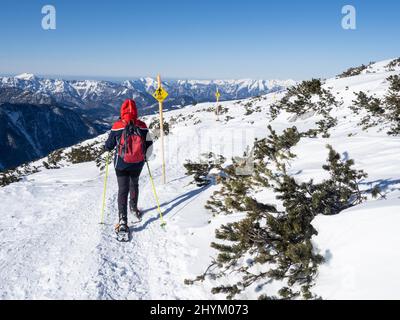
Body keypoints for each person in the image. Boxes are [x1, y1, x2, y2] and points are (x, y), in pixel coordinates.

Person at [105, 99, 153, 234]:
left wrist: (107, 147)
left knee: (122, 189)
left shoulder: (117, 125)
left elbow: (109, 146)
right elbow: (149, 145)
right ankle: (134, 208)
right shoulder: (142, 125)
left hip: (121, 164)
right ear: (136, 111)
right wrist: (145, 158)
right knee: (134, 185)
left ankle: (123, 220)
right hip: (137, 163)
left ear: (122, 111)